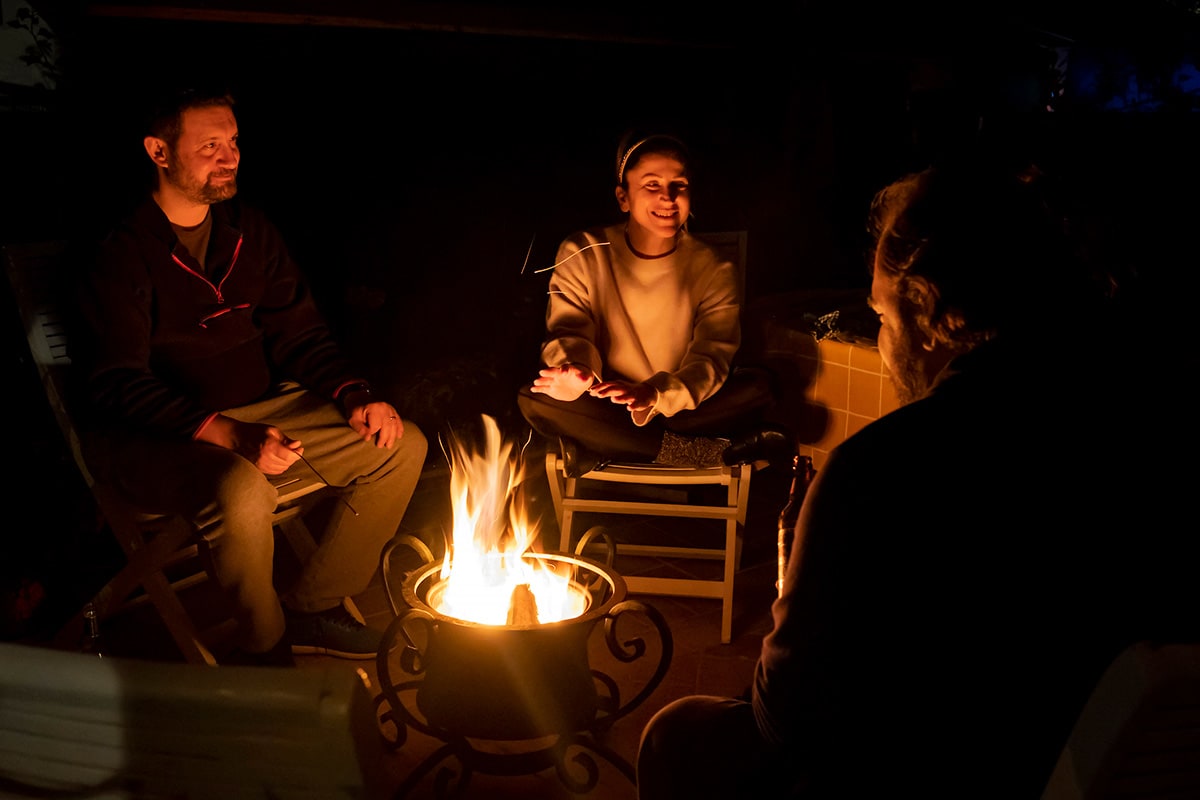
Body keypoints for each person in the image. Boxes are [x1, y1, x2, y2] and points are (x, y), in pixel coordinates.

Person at [635, 157, 1196, 797]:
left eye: (880, 315)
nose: (880, 341)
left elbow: (786, 722)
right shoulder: (1159, 426)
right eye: (653, 186)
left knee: (677, 735)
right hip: (1082, 765)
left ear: (931, 312)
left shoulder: (880, 472)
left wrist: (797, 575)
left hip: (928, 769)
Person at [72, 87, 428, 667]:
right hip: (152, 439)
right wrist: (228, 435)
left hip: (259, 411)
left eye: (233, 141)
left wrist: (355, 393)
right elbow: (116, 382)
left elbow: (300, 332)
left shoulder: (247, 231)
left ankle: (315, 606)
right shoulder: (120, 251)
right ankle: (263, 648)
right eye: (209, 145)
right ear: (158, 152)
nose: (229, 156)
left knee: (398, 443)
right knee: (241, 489)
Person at [518, 130, 789, 477]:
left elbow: (711, 357)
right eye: (651, 185)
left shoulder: (714, 268)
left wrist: (655, 394)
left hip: (683, 409)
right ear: (623, 197)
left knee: (761, 387)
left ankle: (601, 446)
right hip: (606, 403)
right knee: (534, 398)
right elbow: (570, 328)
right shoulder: (583, 252)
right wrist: (578, 370)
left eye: (679, 184)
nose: (668, 197)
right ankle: (699, 452)